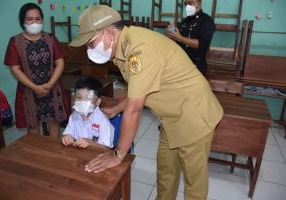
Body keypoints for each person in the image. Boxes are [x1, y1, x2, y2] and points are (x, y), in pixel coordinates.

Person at [69, 5, 223, 200]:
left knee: (194, 183)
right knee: (166, 173)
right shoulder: (121, 49)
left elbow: (134, 109)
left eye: (90, 43)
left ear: (108, 32)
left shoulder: (138, 50)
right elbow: (138, 91)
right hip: (171, 118)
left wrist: (117, 155)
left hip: (195, 116)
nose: (89, 49)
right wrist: (115, 109)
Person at [4, 3, 67, 138]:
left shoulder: (50, 38)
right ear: (22, 21)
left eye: (38, 19)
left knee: (54, 122)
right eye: (29, 19)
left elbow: (60, 63)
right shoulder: (15, 42)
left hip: (52, 87)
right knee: (33, 125)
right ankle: (37, 154)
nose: (34, 22)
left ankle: (52, 152)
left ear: (42, 20)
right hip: (29, 90)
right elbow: (15, 69)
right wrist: (34, 87)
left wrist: (49, 84)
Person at [165, 0, 215, 76]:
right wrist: (172, 36)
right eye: (186, 3)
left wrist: (179, 37)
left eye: (190, 3)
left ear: (199, 3)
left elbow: (202, 45)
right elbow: (179, 41)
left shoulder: (207, 20)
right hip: (180, 64)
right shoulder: (185, 21)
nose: (187, 6)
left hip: (196, 67)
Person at [62, 77, 114, 148]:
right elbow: (67, 133)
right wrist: (67, 137)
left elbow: (106, 148)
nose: (82, 102)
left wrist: (91, 143)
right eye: (79, 97)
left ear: (98, 101)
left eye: (88, 98)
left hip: (96, 156)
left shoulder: (103, 122)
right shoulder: (74, 115)